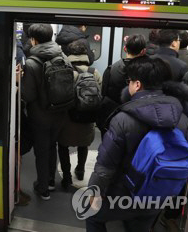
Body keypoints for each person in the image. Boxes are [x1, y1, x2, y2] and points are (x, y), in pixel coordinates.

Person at [86, 57, 188, 232]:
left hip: (123, 196)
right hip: (158, 194)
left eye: (129, 81)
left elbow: (105, 166)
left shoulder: (123, 119)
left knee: (92, 216)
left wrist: (93, 192)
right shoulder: (182, 119)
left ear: (137, 84)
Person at [21, 23, 68, 200]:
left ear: (33, 40)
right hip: (60, 112)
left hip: (40, 115)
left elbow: (29, 95)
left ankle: (43, 189)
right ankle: (50, 181)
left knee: (41, 151)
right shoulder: (62, 56)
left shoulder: (32, 63)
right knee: (52, 146)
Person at [57, 39, 101, 189]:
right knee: (84, 145)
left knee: (63, 146)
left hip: (67, 118)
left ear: (69, 54)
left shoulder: (65, 71)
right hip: (87, 118)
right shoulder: (95, 73)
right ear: (85, 54)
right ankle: (80, 170)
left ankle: (67, 178)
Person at [96, 34, 147, 134]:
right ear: (143, 51)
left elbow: (104, 94)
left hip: (111, 118)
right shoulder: (146, 72)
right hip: (136, 121)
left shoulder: (110, 70)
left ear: (124, 48)